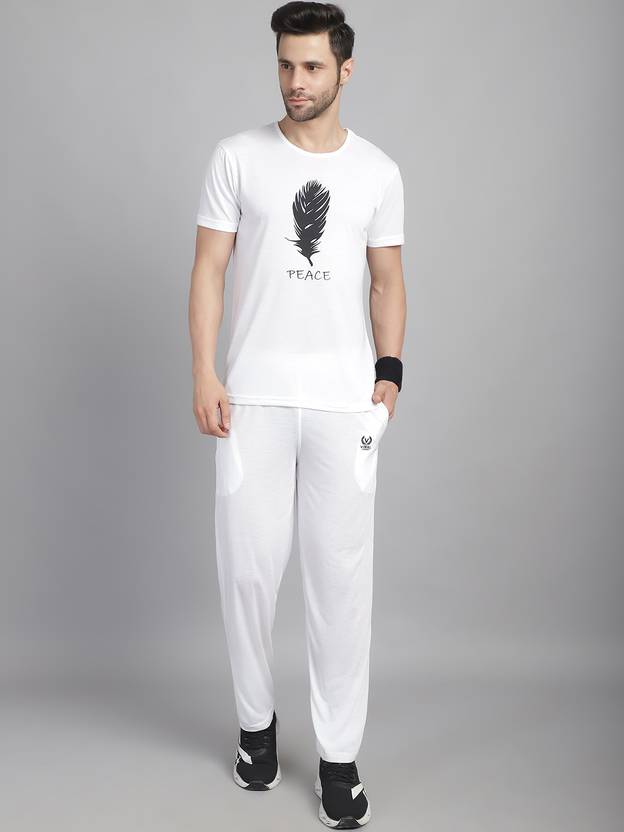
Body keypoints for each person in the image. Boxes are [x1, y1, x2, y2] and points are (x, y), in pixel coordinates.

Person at [189, 2, 406, 827]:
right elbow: (210, 269)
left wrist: (389, 374)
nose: (295, 81)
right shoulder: (237, 158)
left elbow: (387, 279)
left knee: (341, 585)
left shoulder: (378, 172)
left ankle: (339, 758)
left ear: (345, 70)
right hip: (252, 399)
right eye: (285, 64)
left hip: (344, 405)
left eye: (312, 66)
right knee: (247, 574)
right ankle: (256, 728)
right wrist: (205, 370)